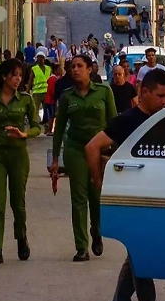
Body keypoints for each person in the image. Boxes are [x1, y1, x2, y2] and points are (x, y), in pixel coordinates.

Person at [85, 69, 165, 301]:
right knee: (143, 250)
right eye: (160, 96)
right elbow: (92, 147)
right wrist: (100, 182)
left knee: (137, 254)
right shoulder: (126, 120)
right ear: (143, 92)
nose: (164, 102)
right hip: (132, 196)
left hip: (156, 196)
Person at [0, 58, 42, 264]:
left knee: (17, 203)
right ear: (4, 76)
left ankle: (21, 236)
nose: (17, 80)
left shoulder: (26, 100)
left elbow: (39, 128)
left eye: (20, 76)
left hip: (19, 155)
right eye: (14, 75)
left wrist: (24, 134)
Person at [49, 54, 117, 261]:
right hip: (75, 149)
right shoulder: (67, 96)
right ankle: (81, 246)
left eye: (80, 66)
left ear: (90, 69)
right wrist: (54, 160)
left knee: (95, 196)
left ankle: (96, 232)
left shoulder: (104, 92)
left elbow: (114, 124)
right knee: (78, 197)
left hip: (98, 150)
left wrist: (113, 153)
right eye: (72, 67)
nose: (75, 70)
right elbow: (59, 129)